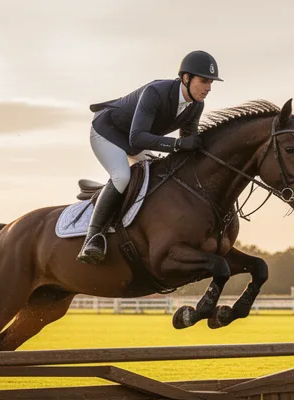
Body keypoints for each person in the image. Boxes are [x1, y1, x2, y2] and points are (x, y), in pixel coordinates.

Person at [77, 50, 222, 264]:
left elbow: (187, 143)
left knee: (159, 175)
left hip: (134, 139)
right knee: (121, 177)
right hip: (108, 131)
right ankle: (93, 238)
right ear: (186, 78)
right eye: (204, 81)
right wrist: (176, 144)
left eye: (211, 82)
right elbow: (137, 138)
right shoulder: (156, 92)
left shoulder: (195, 106)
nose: (208, 88)